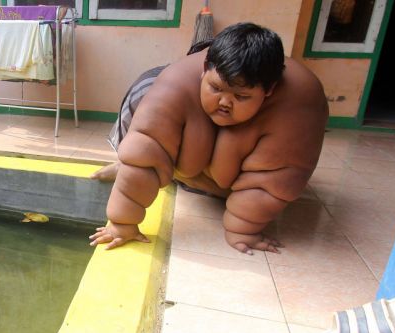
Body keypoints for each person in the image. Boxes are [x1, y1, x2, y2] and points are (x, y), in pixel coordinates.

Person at [89, 22, 328, 255]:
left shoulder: (299, 106)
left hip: (233, 179)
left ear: (269, 90)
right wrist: (122, 222)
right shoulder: (174, 85)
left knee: (269, 180)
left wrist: (243, 229)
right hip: (178, 154)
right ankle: (125, 166)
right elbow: (144, 151)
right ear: (204, 69)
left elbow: (275, 181)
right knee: (143, 140)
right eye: (216, 88)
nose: (225, 102)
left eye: (241, 96)